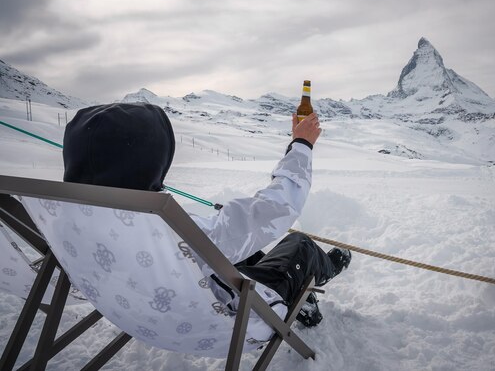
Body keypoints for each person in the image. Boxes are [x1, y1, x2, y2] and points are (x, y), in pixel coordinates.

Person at [61, 102, 351, 329]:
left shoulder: (65, 224)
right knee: (300, 245)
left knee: (246, 254)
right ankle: (315, 277)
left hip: (137, 304)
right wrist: (301, 144)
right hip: (219, 316)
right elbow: (277, 206)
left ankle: (304, 293)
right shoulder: (171, 232)